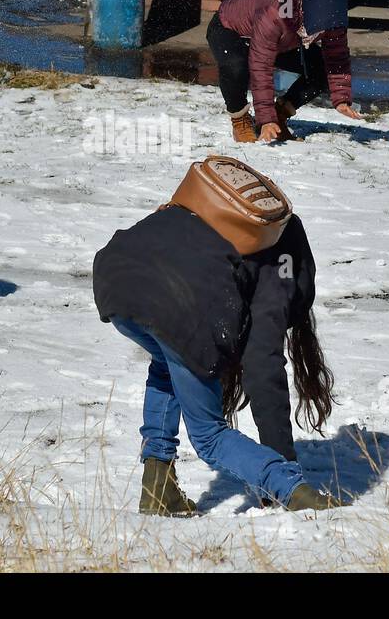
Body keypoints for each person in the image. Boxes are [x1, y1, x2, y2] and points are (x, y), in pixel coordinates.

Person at [93, 206, 343, 513]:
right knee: (209, 435)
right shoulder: (280, 260)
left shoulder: (233, 216)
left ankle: (158, 488)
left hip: (116, 277)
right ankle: (293, 492)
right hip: (176, 301)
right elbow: (263, 366)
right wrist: (283, 464)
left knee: (166, 363)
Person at [206, 0, 360, 143]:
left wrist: (341, 98)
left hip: (283, 38)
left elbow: (336, 55)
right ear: (305, 11)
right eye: (317, 30)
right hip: (230, 29)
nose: (321, 35)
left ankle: (280, 115)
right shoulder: (275, 11)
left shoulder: (332, 8)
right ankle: (240, 119)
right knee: (236, 67)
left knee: (322, 68)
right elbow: (261, 66)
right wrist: (265, 118)